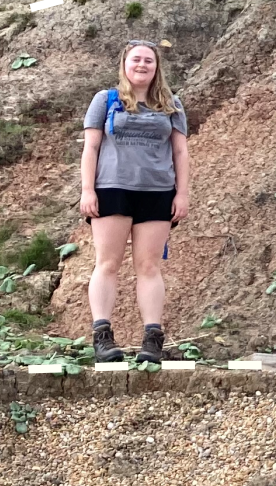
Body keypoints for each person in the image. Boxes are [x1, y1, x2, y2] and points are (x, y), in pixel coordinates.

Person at [79, 39, 190, 365]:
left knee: (149, 266)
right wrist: (88, 190)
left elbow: (181, 151)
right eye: (136, 60)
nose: (142, 65)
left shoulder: (172, 104)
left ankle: (152, 339)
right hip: (112, 188)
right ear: (125, 65)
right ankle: (102, 337)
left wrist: (181, 194)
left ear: (157, 68)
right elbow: (91, 148)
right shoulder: (105, 100)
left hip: (157, 192)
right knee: (108, 263)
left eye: (149, 61)